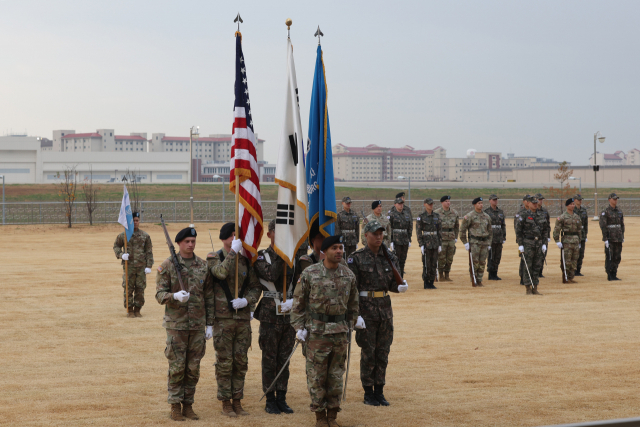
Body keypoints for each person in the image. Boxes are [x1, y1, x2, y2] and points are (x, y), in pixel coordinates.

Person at [291, 235, 359, 427]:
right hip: (317, 334)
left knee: (336, 377)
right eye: (334, 248)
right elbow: (298, 304)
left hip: (339, 334)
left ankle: (332, 417)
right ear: (324, 251)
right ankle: (320, 417)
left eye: (341, 248)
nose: (339, 251)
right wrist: (299, 328)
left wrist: (352, 323)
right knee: (316, 377)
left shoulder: (348, 275)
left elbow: (353, 305)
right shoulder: (310, 274)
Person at [348, 220, 409, 407]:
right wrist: (355, 315)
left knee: (383, 352)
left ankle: (379, 391)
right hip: (365, 311)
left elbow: (391, 283)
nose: (379, 236)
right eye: (375, 233)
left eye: (381, 233)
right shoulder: (355, 258)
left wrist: (399, 287)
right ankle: (368, 392)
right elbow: (351, 289)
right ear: (366, 235)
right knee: (369, 353)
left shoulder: (389, 257)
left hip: (384, 310)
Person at [155, 227, 214, 421]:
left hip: (197, 325)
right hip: (177, 325)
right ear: (179, 243)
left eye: (193, 241)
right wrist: (174, 296)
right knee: (177, 367)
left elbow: (209, 296)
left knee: (193, 368)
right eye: (187, 241)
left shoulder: (203, 266)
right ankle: (174, 406)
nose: (191, 244)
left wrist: (210, 324)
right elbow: (159, 294)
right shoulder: (168, 265)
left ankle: (188, 405)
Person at [206, 222, 262, 417]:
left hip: (242, 319)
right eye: (230, 236)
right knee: (224, 362)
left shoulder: (246, 261)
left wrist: (247, 300)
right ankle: (225, 402)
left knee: (240, 361)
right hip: (222, 320)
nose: (234, 239)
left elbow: (256, 286)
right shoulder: (215, 257)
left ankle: (237, 400)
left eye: (236, 236)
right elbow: (220, 272)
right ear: (223, 239)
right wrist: (232, 253)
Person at [253, 220, 296, 415]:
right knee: (270, 358)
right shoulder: (261, 257)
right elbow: (271, 274)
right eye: (277, 232)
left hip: (289, 314)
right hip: (270, 315)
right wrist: (282, 252)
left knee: (284, 358)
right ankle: (270, 398)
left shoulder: (295, 257)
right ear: (269, 234)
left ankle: (282, 397)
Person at [113, 212, 154, 317]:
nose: (135, 222)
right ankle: (130, 309)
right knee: (128, 288)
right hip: (129, 267)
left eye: (137, 220)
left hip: (141, 268)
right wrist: (121, 255)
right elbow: (116, 246)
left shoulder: (145, 236)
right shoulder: (124, 235)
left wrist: (149, 266)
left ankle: (137, 309)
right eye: (133, 220)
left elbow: (149, 252)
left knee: (140, 289)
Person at [515, 197, 548, 295]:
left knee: (537, 266)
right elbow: (519, 231)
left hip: (538, 243)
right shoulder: (523, 215)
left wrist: (544, 244)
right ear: (528, 204)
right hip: (528, 243)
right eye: (533, 203)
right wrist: (520, 244)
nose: (534, 204)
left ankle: (535, 287)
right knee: (527, 266)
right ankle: (528, 288)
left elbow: (545, 231)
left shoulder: (541, 215)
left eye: (536, 203)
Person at [459, 197, 492, 287]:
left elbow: (490, 231)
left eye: (481, 203)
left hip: (484, 242)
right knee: (474, 262)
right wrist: (465, 242)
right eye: (478, 203)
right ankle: (474, 279)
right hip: (474, 242)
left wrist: (489, 243)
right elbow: (462, 230)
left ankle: (480, 280)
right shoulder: (469, 216)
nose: (481, 205)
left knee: (482, 262)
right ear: (474, 204)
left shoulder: (486, 216)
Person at [553, 198, 583, 284]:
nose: (573, 206)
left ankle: (570, 277)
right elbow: (557, 229)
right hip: (567, 241)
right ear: (567, 206)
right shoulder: (562, 217)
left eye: (573, 204)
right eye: (571, 204)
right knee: (567, 260)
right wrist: (557, 240)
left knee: (574, 260)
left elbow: (580, 230)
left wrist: (580, 241)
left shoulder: (577, 216)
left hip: (576, 241)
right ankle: (565, 277)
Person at [416, 198, 442, 289]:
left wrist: (440, 244)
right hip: (426, 242)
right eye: (429, 204)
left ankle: (431, 281)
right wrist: (421, 244)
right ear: (425, 204)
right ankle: (426, 282)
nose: (431, 205)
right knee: (427, 263)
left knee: (434, 263)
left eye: (432, 204)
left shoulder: (437, 216)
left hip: (435, 242)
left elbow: (439, 230)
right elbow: (418, 231)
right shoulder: (421, 216)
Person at [599, 193, 625, 281]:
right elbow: (603, 225)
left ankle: (614, 273)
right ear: (609, 200)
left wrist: (622, 236)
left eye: (616, 199)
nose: (615, 200)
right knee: (610, 256)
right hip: (610, 238)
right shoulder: (605, 212)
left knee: (617, 257)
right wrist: (605, 238)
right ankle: (609, 274)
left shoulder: (619, 211)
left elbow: (622, 225)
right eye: (614, 199)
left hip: (618, 238)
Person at [434, 195, 460, 281]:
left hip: (451, 238)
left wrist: (455, 237)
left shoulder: (454, 213)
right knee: (441, 258)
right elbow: (434, 227)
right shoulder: (436, 213)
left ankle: (447, 274)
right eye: (446, 201)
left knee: (450, 258)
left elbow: (456, 226)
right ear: (442, 202)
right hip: (442, 239)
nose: (448, 203)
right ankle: (441, 275)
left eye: (449, 201)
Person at [388, 197, 413, 277]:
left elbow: (410, 227)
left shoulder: (406, 214)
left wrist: (409, 238)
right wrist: (391, 241)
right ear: (395, 204)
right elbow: (389, 228)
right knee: (396, 259)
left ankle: (401, 277)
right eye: (399, 204)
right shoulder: (391, 214)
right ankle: (395, 277)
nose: (401, 205)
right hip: (396, 240)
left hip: (405, 239)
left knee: (403, 260)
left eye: (402, 204)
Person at [484, 195, 506, 280]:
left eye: (496, 200)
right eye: (494, 200)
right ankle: (491, 273)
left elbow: (503, 225)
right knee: (491, 256)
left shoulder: (500, 212)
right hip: (491, 238)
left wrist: (504, 237)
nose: (495, 201)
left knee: (497, 256)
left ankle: (495, 273)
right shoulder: (486, 212)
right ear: (490, 201)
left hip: (499, 237)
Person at [514, 195, 531, 285]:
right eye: (527, 201)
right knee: (524, 259)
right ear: (524, 202)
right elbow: (517, 228)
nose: (529, 202)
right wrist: (519, 241)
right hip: (523, 240)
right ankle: (522, 277)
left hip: (532, 240)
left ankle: (530, 277)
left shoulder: (534, 212)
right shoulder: (520, 213)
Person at [535, 193, 551, 278]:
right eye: (539, 199)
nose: (540, 201)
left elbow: (547, 224)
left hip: (543, 236)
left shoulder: (544, 211)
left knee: (543, 254)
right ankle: (535, 271)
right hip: (535, 236)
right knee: (536, 255)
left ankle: (540, 271)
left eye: (541, 199)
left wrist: (548, 236)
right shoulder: (533, 210)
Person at [574, 194, 589, 276]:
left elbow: (586, 224)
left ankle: (578, 270)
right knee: (574, 253)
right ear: (574, 200)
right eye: (578, 199)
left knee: (581, 254)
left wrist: (586, 235)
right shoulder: (572, 210)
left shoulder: (583, 210)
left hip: (582, 235)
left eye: (581, 199)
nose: (580, 201)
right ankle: (573, 269)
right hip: (574, 235)